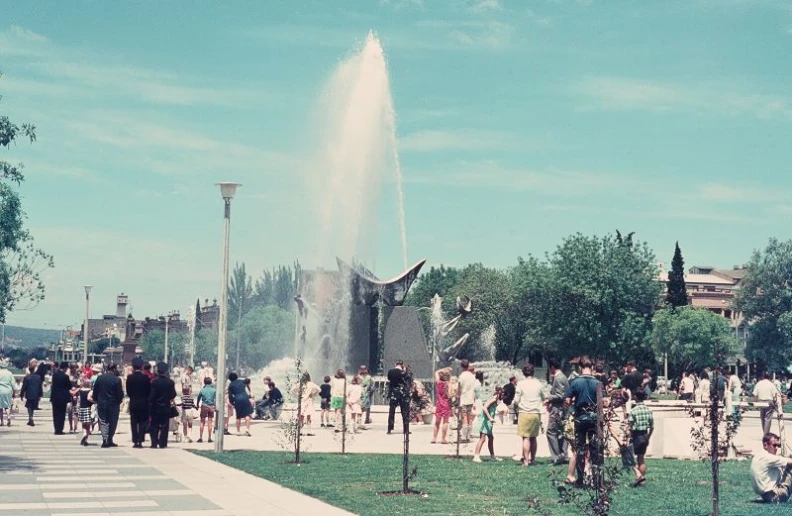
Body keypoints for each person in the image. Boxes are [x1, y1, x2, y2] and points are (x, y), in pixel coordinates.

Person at [565, 356, 602, 487]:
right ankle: (597, 481)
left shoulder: (575, 382)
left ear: (580, 367)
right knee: (595, 449)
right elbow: (603, 402)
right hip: (594, 419)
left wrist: (572, 404)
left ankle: (580, 479)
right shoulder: (597, 383)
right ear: (591, 367)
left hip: (580, 419)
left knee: (580, 449)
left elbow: (567, 400)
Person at [513, 364, 544, 466]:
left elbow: (516, 400)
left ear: (523, 373)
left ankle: (525, 460)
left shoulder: (521, 384)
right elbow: (543, 397)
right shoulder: (539, 384)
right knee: (533, 437)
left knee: (525, 438)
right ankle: (533, 459)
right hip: (535, 413)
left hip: (524, 413)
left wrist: (516, 405)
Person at [751, 433, 792, 503]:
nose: (776, 448)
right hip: (775, 497)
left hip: (764, 495)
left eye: (778, 446)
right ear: (765, 445)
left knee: (783, 466)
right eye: (774, 445)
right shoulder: (768, 458)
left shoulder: (758, 456)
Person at [91, 363, 124, 448]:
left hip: (102, 403)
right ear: (114, 369)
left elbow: (95, 391)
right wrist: (119, 401)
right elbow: (120, 393)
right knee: (113, 422)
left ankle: (105, 439)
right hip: (113, 404)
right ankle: (110, 439)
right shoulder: (117, 379)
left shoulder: (100, 378)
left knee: (103, 421)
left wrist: (96, 399)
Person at [627, 390, 654, 487]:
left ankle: (639, 476)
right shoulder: (648, 410)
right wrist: (648, 437)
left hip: (636, 435)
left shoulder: (633, 411)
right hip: (645, 434)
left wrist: (628, 436)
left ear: (636, 397)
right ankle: (641, 479)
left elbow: (629, 425)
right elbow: (652, 426)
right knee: (641, 458)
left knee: (629, 457)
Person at [546, 359, 570, 466]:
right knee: (562, 432)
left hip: (558, 409)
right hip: (563, 408)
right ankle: (563, 455)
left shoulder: (559, 378)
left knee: (551, 431)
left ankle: (556, 457)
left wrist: (549, 398)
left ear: (552, 367)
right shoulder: (563, 377)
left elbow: (560, 395)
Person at [149, 362, 177, 449]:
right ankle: (163, 443)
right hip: (166, 406)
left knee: (154, 425)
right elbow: (173, 394)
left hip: (155, 407)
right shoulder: (170, 382)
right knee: (165, 425)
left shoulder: (154, 382)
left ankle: (154, 442)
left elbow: (152, 396)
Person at [472, 386, 503, 463]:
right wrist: (490, 418)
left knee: (491, 438)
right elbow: (484, 408)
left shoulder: (495, 399)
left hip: (488, 422)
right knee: (482, 439)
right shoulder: (494, 399)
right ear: (499, 394)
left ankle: (492, 456)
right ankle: (476, 456)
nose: (504, 397)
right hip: (485, 421)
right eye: (503, 395)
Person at [125, 357, 151, 448]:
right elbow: (149, 391)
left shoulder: (130, 378)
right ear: (141, 366)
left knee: (134, 422)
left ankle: (135, 440)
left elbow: (128, 392)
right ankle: (140, 439)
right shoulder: (146, 378)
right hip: (144, 402)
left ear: (133, 366)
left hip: (133, 402)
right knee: (143, 422)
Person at [386, 360, 410, 435]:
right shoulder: (403, 373)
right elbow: (407, 380)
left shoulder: (390, 371)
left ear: (395, 364)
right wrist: (406, 371)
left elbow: (389, 379)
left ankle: (389, 429)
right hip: (402, 394)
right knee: (404, 412)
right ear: (402, 365)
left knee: (391, 411)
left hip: (393, 393)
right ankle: (406, 430)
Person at [49, 361, 72, 435]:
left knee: (55, 414)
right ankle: (60, 429)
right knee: (61, 414)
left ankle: (56, 429)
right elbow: (69, 386)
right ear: (65, 368)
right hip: (62, 398)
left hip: (55, 397)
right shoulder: (65, 377)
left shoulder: (54, 375)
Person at [754, 372, 781, 436]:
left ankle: (765, 432)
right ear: (769, 377)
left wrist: (755, 403)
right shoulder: (771, 384)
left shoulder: (759, 383)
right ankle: (766, 434)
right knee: (767, 419)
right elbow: (775, 394)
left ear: (763, 377)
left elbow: (755, 395)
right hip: (769, 402)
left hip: (760, 402)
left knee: (762, 418)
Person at [457, 359, 477, 443]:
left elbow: (459, 387)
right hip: (471, 399)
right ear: (468, 365)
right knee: (469, 418)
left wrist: (458, 395)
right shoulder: (472, 376)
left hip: (464, 399)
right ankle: (468, 436)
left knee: (464, 417)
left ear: (461, 366)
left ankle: (464, 437)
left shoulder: (462, 376)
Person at [432, 368, 452, 444]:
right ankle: (443, 439)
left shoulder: (438, 382)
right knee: (445, 422)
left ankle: (434, 438)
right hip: (446, 404)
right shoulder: (449, 384)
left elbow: (436, 372)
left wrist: (444, 369)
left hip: (439, 404)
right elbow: (449, 395)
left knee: (437, 422)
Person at [196, 376, 216, 443]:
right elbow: (215, 399)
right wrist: (215, 406)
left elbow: (199, 397)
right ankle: (209, 438)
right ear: (211, 382)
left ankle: (201, 437)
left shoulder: (202, 390)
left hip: (204, 406)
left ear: (204, 382)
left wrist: (197, 404)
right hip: (211, 406)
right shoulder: (214, 390)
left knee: (202, 422)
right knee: (210, 422)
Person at [76, 378, 94, 445]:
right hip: (89, 409)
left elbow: (79, 399)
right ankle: (86, 439)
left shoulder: (80, 391)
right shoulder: (91, 391)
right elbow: (89, 398)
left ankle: (84, 433)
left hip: (82, 408)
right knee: (88, 425)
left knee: (83, 424)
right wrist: (94, 401)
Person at [0, 359, 16, 427]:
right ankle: (8, 417)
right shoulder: (9, 373)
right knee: (7, 406)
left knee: (0, 407)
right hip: (8, 391)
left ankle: (2, 421)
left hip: (0, 390)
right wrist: (14, 392)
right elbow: (13, 384)